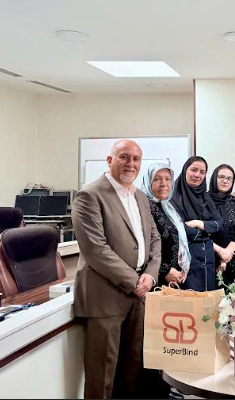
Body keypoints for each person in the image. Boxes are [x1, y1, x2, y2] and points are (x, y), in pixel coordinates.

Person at [72, 140, 161, 399]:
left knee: (132, 373)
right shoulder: (90, 195)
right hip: (105, 297)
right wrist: (135, 282)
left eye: (136, 159)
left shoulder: (140, 197)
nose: (131, 164)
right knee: (102, 378)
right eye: (124, 157)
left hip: (138, 296)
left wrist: (150, 274)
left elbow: (154, 239)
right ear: (110, 160)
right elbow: (96, 249)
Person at [170, 156, 223, 292]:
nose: (197, 175)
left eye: (202, 172)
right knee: (188, 302)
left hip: (208, 262)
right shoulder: (173, 197)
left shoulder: (206, 197)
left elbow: (219, 225)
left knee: (208, 301)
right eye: (194, 170)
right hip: (186, 263)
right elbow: (182, 231)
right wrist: (208, 232)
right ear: (185, 170)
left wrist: (198, 223)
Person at [142, 163, 191, 286]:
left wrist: (184, 263)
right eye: (157, 179)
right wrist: (165, 270)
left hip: (174, 279)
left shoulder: (168, 207)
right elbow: (142, 247)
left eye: (168, 179)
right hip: (153, 279)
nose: (164, 184)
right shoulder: (144, 207)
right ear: (148, 182)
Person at [208, 164, 235, 287]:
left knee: (229, 295)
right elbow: (200, 232)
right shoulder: (203, 200)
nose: (225, 181)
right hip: (208, 258)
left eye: (229, 178)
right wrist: (221, 252)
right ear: (214, 178)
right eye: (221, 177)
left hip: (230, 261)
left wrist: (226, 255)